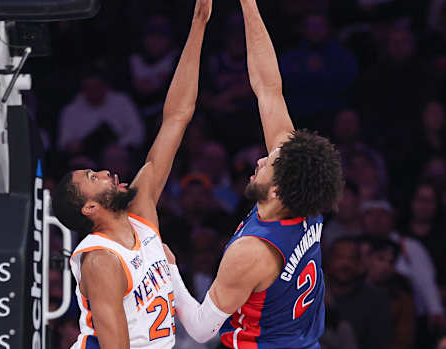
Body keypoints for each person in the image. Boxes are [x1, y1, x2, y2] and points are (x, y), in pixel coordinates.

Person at [162, 0, 344, 347]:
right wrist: (248, 5)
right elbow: (268, 88)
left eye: (267, 164)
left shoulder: (251, 252)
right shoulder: (304, 193)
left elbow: (201, 329)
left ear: (277, 192)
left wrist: (169, 269)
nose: (260, 160)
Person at [51, 0, 212, 347]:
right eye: (94, 178)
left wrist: (198, 23)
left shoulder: (140, 212)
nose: (107, 173)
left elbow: (177, 117)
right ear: (89, 208)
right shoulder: (100, 261)